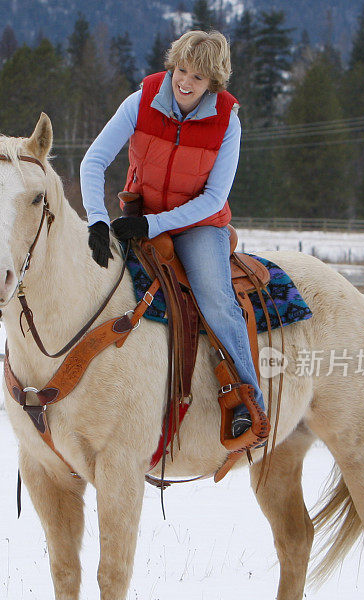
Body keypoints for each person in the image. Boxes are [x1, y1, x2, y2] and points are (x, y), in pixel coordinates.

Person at [80, 29, 264, 439]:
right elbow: (93, 162)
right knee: (96, 286)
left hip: (198, 224)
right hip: (138, 216)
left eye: (197, 78)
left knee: (216, 300)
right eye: (181, 70)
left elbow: (215, 198)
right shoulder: (141, 101)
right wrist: (96, 218)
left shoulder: (226, 122)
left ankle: (248, 401)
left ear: (213, 83)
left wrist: (154, 224)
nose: (185, 82)